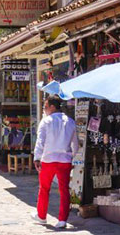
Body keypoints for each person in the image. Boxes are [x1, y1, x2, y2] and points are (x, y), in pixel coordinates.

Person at [31, 95, 78, 228]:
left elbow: (40, 141)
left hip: (48, 160)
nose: (44, 110)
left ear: (52, 107)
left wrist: (37, 157)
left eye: (45, 107)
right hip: (64, 160)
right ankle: (62, 219)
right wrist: (71, 157)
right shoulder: (70, 121)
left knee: (44, 188)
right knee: (64, 190)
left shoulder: (46, 121)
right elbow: (75, 144)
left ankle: (41, 216)